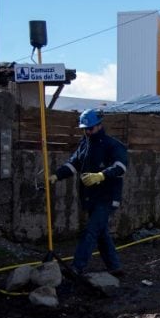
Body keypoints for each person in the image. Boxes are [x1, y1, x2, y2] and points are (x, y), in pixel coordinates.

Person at [50, 108, 128, 276]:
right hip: (91, 196)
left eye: (90, 128)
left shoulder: (112, 145)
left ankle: (77, 267)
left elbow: (120, 167)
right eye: (84, 129)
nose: (87, 131)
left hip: (107, 197)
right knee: (101, 232)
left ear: (99, 126)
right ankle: (115, 266)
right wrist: (57, 175)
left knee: (91, 230)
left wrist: (101, 175)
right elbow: (73, 164)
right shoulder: (85, 144)